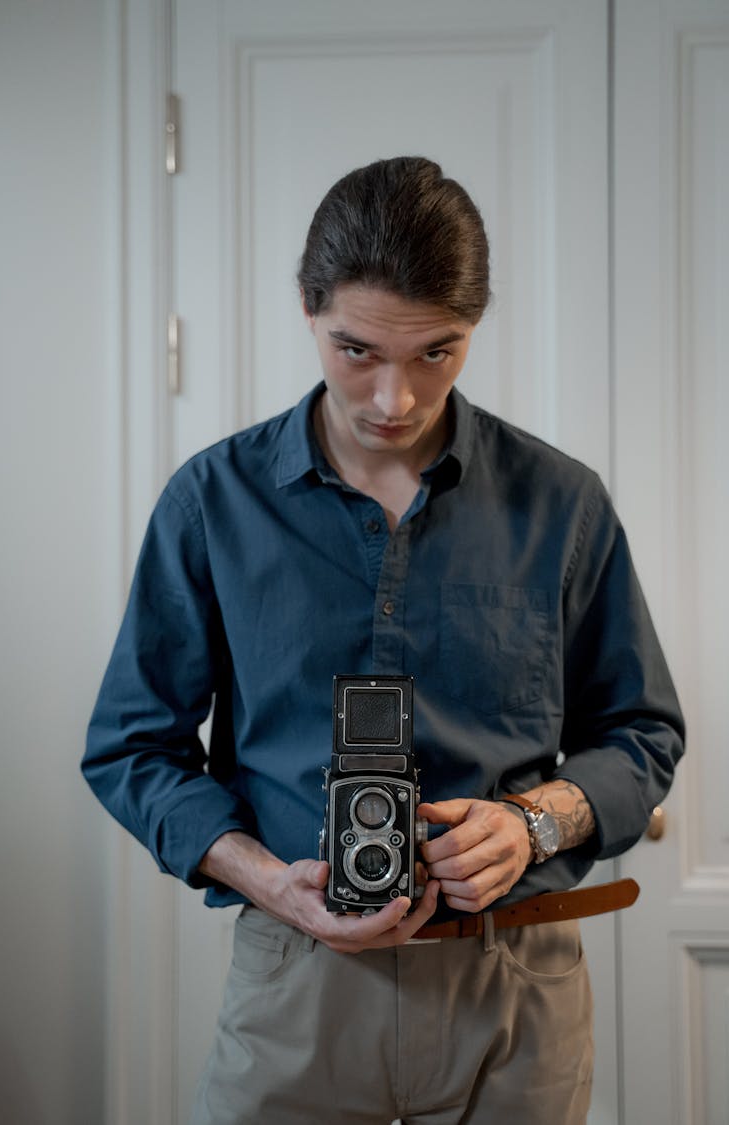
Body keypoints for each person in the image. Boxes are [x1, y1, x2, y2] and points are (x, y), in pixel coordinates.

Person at [83, 156, 684, 1124]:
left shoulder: (562, 503)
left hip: (516, 992)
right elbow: (129, 748)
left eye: (437, 354)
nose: (394, 399)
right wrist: (268, 881)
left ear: (474, 327)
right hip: (295, 981)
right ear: (309, 312)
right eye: (356, 351)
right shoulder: (210, 503)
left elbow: (642, 734)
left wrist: (537, 823)